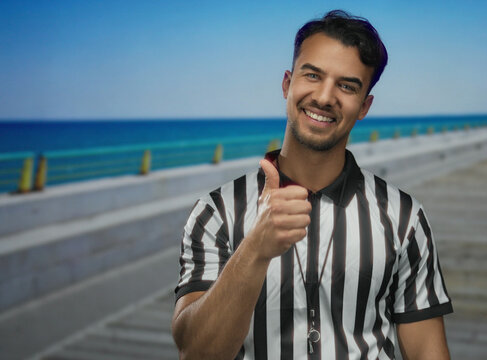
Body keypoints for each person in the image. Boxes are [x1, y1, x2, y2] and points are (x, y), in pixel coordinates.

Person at [171, 10, 453, 359]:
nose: (324, 97)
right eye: (312, 75)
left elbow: (428, 350)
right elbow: (196, 353)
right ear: (287, 84)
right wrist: (254, 250)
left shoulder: (403, 217)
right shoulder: (216, 213)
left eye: (347, 86)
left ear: (364, 106)